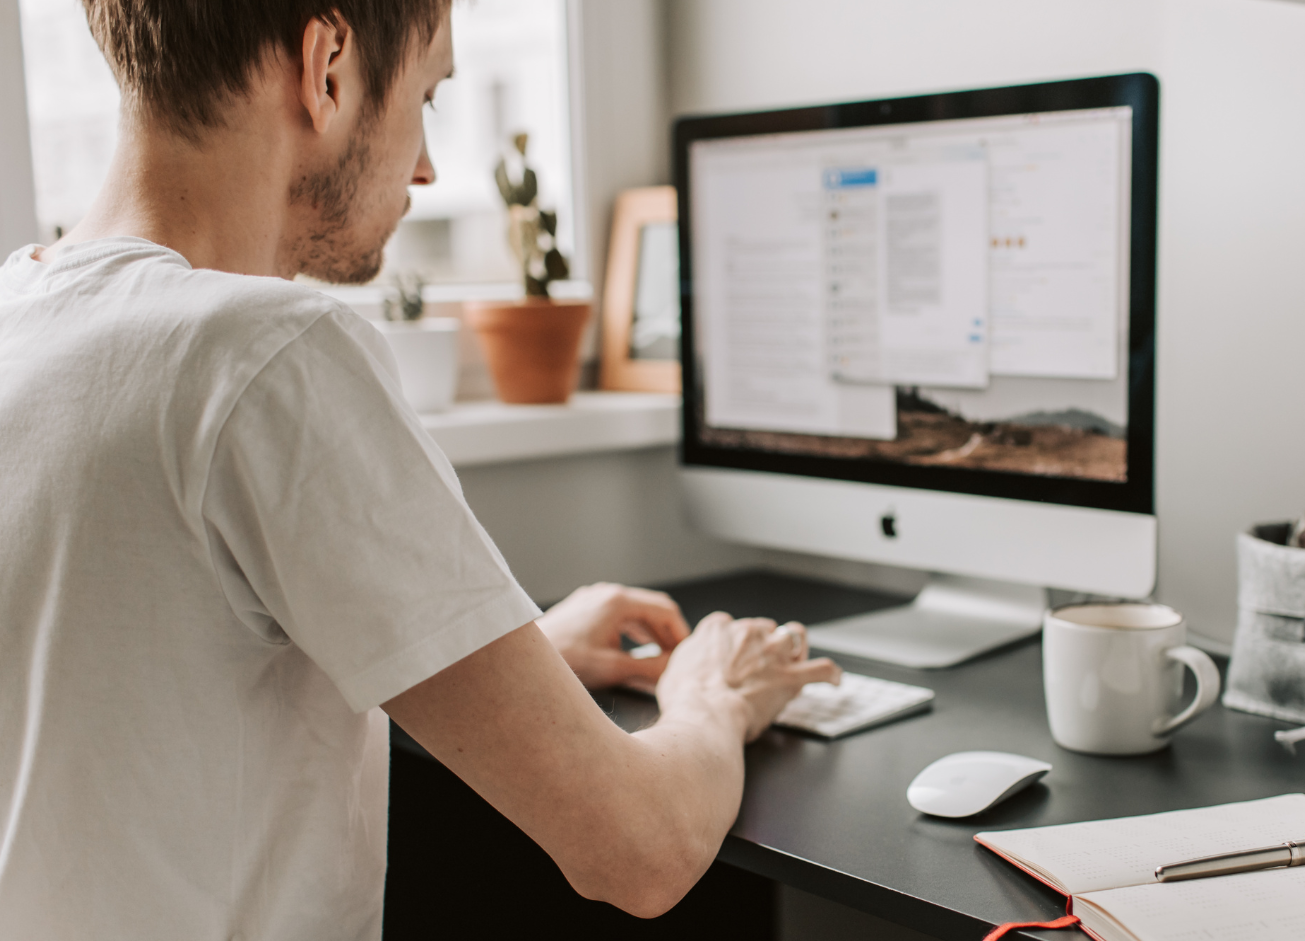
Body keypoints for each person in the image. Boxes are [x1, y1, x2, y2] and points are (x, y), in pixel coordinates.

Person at [0, 1, 841, 938]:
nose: (429, 165)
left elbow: (140, 695)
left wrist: (512, 659)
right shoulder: (266, 355)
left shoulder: (21, 319)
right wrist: (711, 699)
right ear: (327, 67)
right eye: (429, 94)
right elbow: (640, 849)